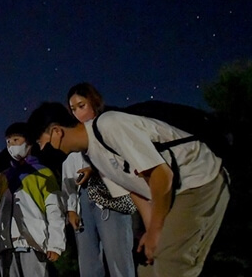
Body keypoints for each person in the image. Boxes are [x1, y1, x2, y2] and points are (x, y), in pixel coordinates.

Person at [26, 94, 230, 277]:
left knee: (171, 264)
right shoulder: (94, 156)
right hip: (172, 192)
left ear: (56, 131)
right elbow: (136, 191)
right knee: (148, 270)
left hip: (198, 180)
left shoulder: (109, 125)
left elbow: (161, 175)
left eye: (42, 143)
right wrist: (151, 232)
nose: (44, 149)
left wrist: (156, 231)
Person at [64, 83, 137, 277]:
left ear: (93, 102)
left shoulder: (109, 126)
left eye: (82, 105)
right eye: (73, 109)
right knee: (88, 262)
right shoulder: (75, 135)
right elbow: (69, 175)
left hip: (110, 196)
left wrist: (96, 169)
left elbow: (126, 161)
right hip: (84, 200)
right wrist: (71, 209)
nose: (78, 112)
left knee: (118, 258)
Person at [0, 122, 66, 277]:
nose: (11, 145)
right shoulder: (3, 177)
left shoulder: (43, 173)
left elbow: (54, 209)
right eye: (8, 142)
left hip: (33, 244)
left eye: (16, 140)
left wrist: (56, 244)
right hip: (6, 247)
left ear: (28, 143)